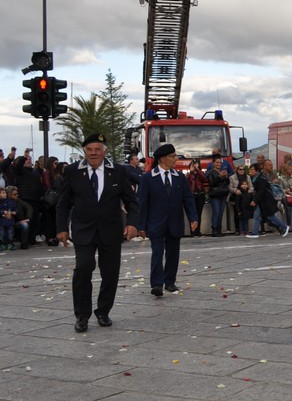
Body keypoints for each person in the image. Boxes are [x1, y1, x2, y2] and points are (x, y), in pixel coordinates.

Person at [56, 133, 139, 332]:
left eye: (97, 149)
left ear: (104, 151)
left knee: (110, 273)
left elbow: (131, 201)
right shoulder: (74, 171)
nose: (93, 153)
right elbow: (63, 203)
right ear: (84, 151)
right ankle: (82, 315)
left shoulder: (118, 171)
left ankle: (103, 311)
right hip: (83, 229)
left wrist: (133, 224)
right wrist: (60, 229)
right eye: (89, 150)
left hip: (111, 230)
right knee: (83, 268)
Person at [136, 144, 198, 296]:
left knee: (173, 253)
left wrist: (193, 217)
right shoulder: (148, 178)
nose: (176, 159)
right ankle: (157, 284)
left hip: (175, 222)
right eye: (173, 156)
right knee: (157, 252)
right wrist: (141, 225)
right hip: (156, 223)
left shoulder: (180, 177)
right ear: (163, 159)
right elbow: (142, 204)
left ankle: (169, 281)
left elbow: (188, 199)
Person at [246, 163, 290, 238]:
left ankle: (284, 226)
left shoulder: (261, 179)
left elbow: (261, 191)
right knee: (256, 216)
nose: (251, 171)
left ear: (257, 170)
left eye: (252, 169)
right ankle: (255, 232)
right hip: (261, 201)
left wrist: (254, 200)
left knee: (270, 216)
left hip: (266, 201)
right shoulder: (255, 178)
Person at [206, 157, 230, 237]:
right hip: (215, 195)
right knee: (216, 212)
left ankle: (219, 229)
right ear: (213, 163)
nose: (219, 164)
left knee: (220, 213)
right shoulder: (211, 173)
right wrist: (220, 176)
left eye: (220, 162)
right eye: (217, 162)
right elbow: (212, 184)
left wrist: (226, 176)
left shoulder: (223, 171)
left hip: (223, 194)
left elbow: (228, 182)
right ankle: (214, 230)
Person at [276, 163, 292, 231]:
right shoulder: (281, 178)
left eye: (291, 169)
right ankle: (289, 225)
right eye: (290, 169)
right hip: (285, 196)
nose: (291, 170)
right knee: (288, 207)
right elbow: (280, 188)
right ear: (286, 170)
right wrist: (286, 191)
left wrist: (291, 189)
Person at [186, 159, 208, 236]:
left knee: (199, 213)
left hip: (200, 194)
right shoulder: (189, 175)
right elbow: (186, 182)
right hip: (192, 195)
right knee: (192, 213)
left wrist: (197, 169)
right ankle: (192, 230)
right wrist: (191, 171)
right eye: (193, 164)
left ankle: (198, 230)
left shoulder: (200, 173)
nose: (194, 166)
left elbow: (204, 178)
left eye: (195, 164)